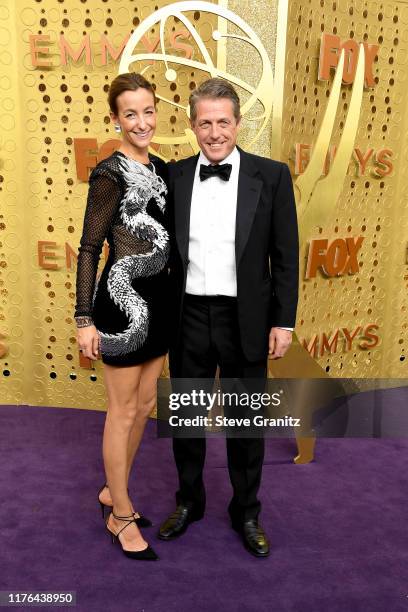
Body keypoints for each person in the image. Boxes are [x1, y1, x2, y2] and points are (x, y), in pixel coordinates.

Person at [158, 78, 299, 557]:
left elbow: (286, 255)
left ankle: (247, 511)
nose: (214, 132)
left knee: (245, 422)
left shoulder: (273, 175)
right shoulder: (174, 177)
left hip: (247, 317)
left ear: (238, 124)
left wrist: (284, 322)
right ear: (192, 126)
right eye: (205, 123)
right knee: (188, 419)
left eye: (223, 122)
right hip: (189, 316)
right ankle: (189, 502)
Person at [74, 73, 169, 561]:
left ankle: (115, 489)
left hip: (162, 307)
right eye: (130, 114)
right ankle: (121, 514)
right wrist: (83, 317)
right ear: (116, 119)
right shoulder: (109, 173)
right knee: (123, 410)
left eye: (148, 111)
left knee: (147, 404)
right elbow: (91, 247)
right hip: (121, 302)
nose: (141, 122)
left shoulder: (164, 169)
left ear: (158, 112)